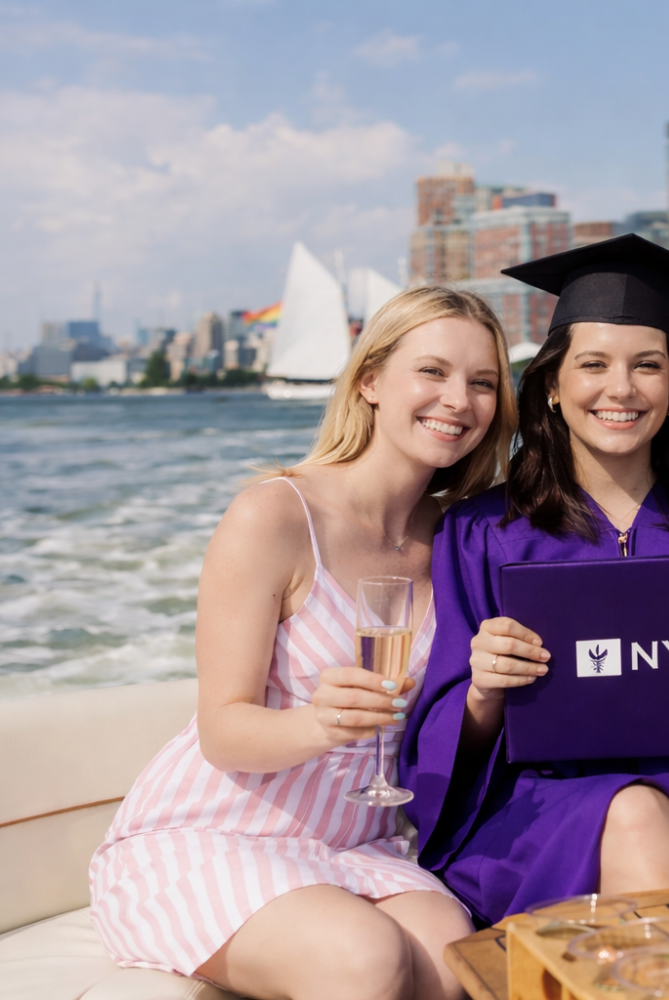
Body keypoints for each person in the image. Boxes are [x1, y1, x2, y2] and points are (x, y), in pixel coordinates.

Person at [90, 287, 518, 1000]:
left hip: (362, 844)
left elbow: (448, 733)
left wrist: (487, 694)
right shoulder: (275, 515)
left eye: (482, 383)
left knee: (460, 965)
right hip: (216, 835)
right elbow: (224, 730)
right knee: (361, 959)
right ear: (370, 381)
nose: (459, 400)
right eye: (434, 372)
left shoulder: (461, 538)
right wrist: (318, 724)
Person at [400, 235, 669, 927]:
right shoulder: (483, 531)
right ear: (552, 383)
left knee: (645, 823)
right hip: (539, 805)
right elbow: (444, 747)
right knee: (635, 817)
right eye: (594, 364)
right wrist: (483, 689)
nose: (622, 389)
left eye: (647, 366)